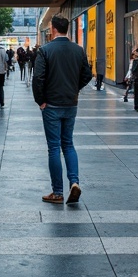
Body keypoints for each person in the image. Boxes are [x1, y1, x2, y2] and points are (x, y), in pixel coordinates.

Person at [32, 14, 93, 205]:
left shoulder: (45, 50)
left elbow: (38, 78)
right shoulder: (78, 50)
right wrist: (75, 89)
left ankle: (57, 192)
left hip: (51, 104)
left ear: (53, 29)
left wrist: (40, 100)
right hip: (70, 103)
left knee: (54, 148)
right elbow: (88, 75)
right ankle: (74, 182)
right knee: (68, 144)